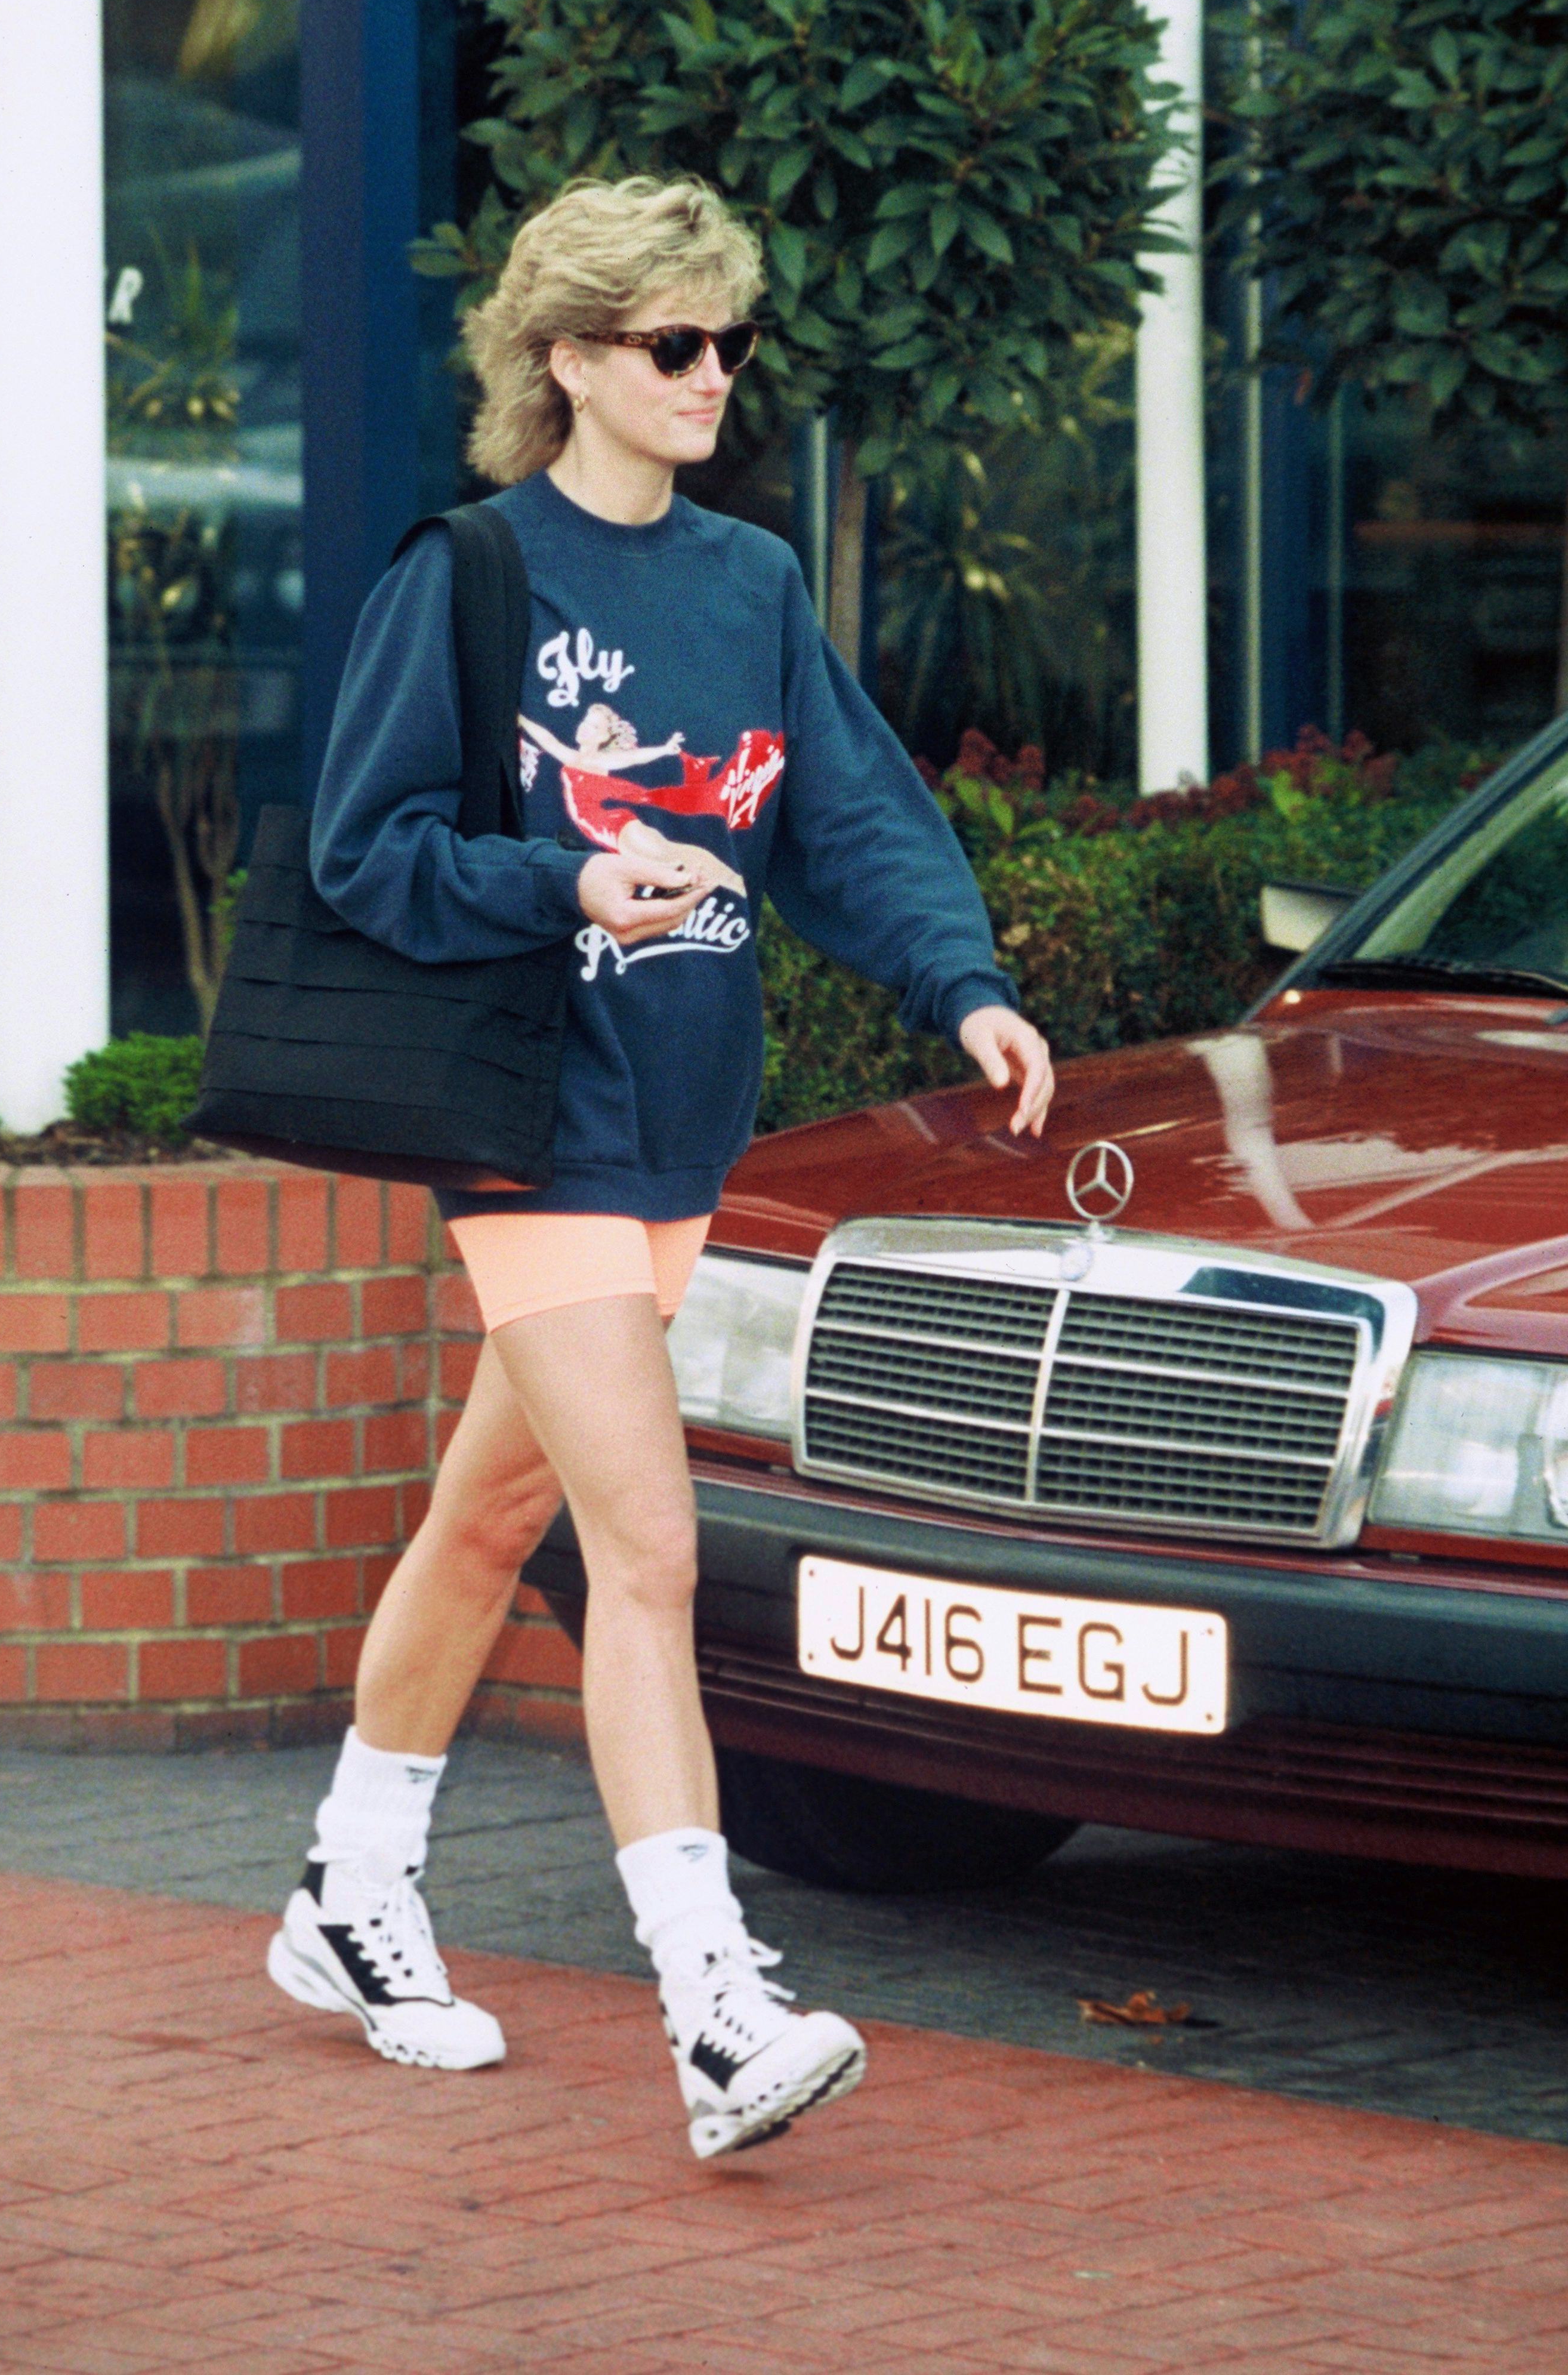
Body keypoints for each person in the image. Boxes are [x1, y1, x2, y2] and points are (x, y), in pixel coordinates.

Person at [266, 174, 1055, 2160]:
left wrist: (962, 986)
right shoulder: (464, 574)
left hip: (681, 1122)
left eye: (729, 340)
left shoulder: (749, 587)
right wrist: (573, 877)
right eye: (670, 344)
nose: (714, 375)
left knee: (483, 1514)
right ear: (567, 364)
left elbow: (856, 814)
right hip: (532, 1123)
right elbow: (364, 856)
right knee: (648, 1542)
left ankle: (350, 1887)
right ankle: (714, 2007)